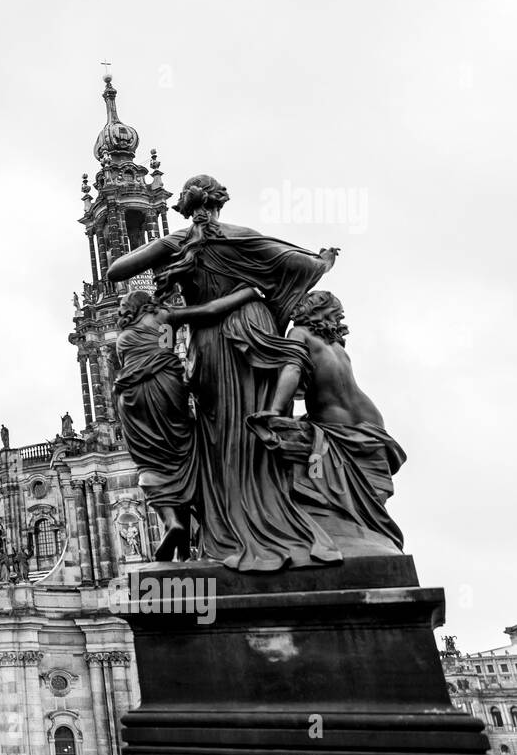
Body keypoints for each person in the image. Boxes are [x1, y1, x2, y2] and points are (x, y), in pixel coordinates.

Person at [106, 174, 341, 571]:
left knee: (219, 436)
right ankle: (276, 515)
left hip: (212, 343)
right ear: (220, 204)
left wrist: (168, 251)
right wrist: (318, 263)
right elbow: (302, 265)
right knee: (257, 425)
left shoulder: (178, 243)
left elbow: (117, 270)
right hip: (254, 331)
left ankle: (230, 529)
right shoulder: (243, 236)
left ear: (182, 207)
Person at [113, 280, 266, 560]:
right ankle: (185, 538)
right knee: (181, 454)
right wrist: (247, 292)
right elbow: (209, 310)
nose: (121, 308)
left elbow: (162, 347)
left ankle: (175, 526)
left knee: (149, 463)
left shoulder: (123, 336)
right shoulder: (162, 318)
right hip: (165, 389)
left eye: (124, 305)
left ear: (131, 308)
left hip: (132, 399)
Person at [247, 291, 405, 547]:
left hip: (335, 426)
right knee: (367, 497)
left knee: (309, 459)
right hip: (372, 424)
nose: (341, 314)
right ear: (319, 310)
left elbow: (293, 368)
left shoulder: (299, 333)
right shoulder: (336, 345)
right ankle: (362, 537)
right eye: (336, 309)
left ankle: (329, 527)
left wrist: (275, 410)